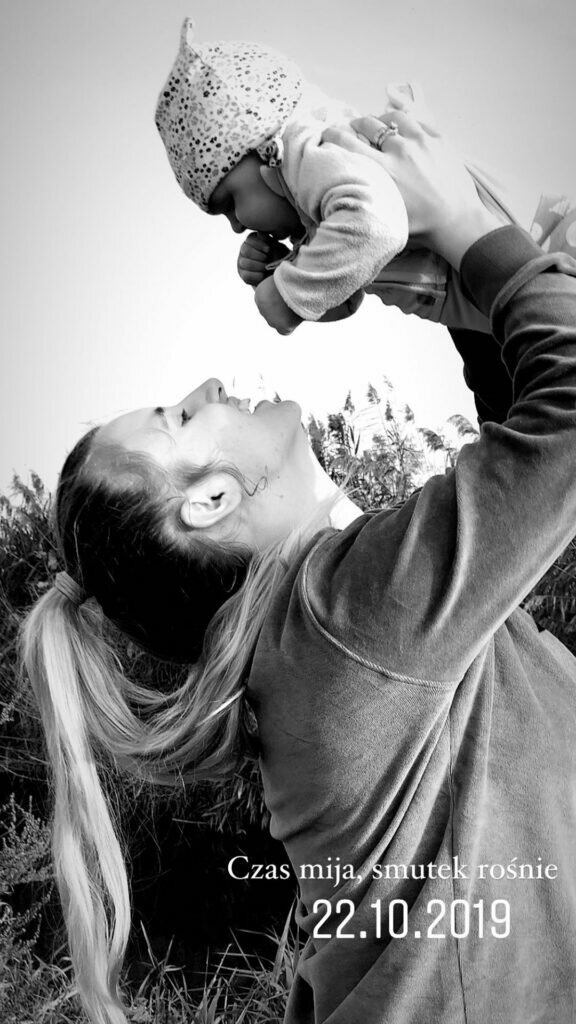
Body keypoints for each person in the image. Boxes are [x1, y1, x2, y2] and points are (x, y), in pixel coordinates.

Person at [21, 109, 576, 1024]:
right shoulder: (344, 617)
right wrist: (477, 238)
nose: (205, 388)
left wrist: (467, 317)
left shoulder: (322, 628)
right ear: (209, 501)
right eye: (180, 419)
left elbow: (518, 472)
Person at [155, 18, 576, 340]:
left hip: (547, 247)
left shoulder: (308, 152)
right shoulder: (321, 210)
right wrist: (283, 270)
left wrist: (288, 295)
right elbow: (346, 296)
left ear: (264, 144)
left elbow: (378, 227)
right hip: (521, 290)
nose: (236, 225)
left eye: (229, 202)